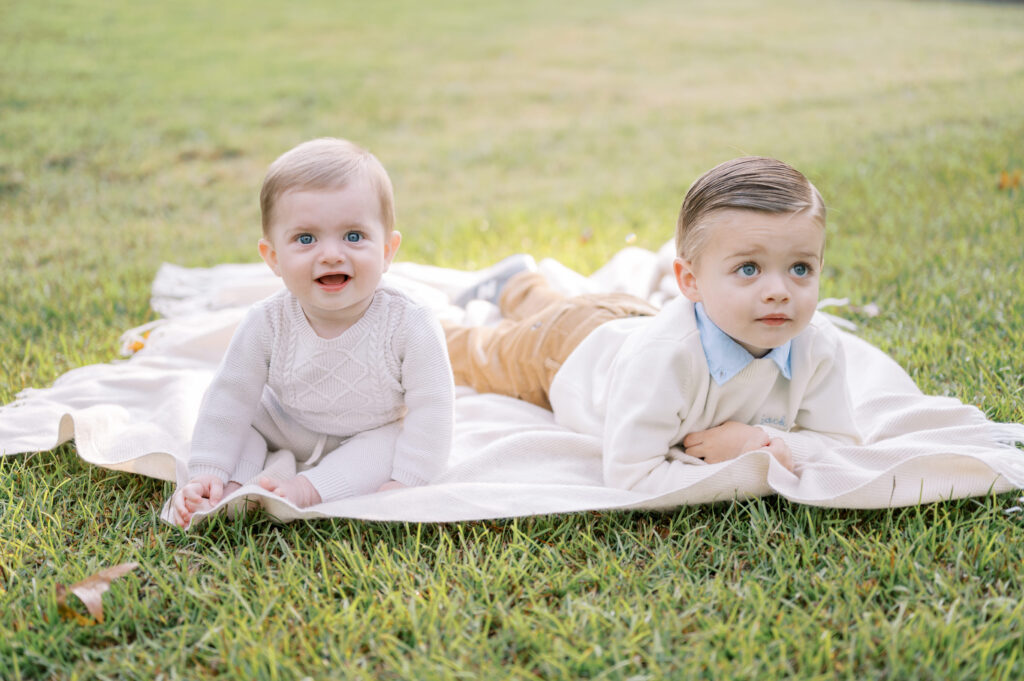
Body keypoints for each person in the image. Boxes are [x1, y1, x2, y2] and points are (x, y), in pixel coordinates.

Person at [445, 156, 861, 495]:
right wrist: (753, 467)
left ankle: (519, 284)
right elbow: (633, 475)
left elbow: (839, 443)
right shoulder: (664, 361)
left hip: (628, 318)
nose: (779, 291)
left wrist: (771, 447)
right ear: (689, 281)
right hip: (564, 352)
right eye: (749, 268)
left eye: (800, 268)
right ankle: (456, 315)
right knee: (478, 354)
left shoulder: (817, 344)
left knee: (562, 306)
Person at [171, 138, 455, 527]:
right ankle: (225, 486)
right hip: (285, 421)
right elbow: (229, 397)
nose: (331, 254)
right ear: (273, 258)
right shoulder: (266, 322)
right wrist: (206, 465)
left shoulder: (409, 323)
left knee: (391, 446)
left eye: (353, 236)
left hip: (367, 430)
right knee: (243, 418)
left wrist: (408, 480)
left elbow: (434, 408)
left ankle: (307, 489)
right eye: (306, 239)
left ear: (388, 250)